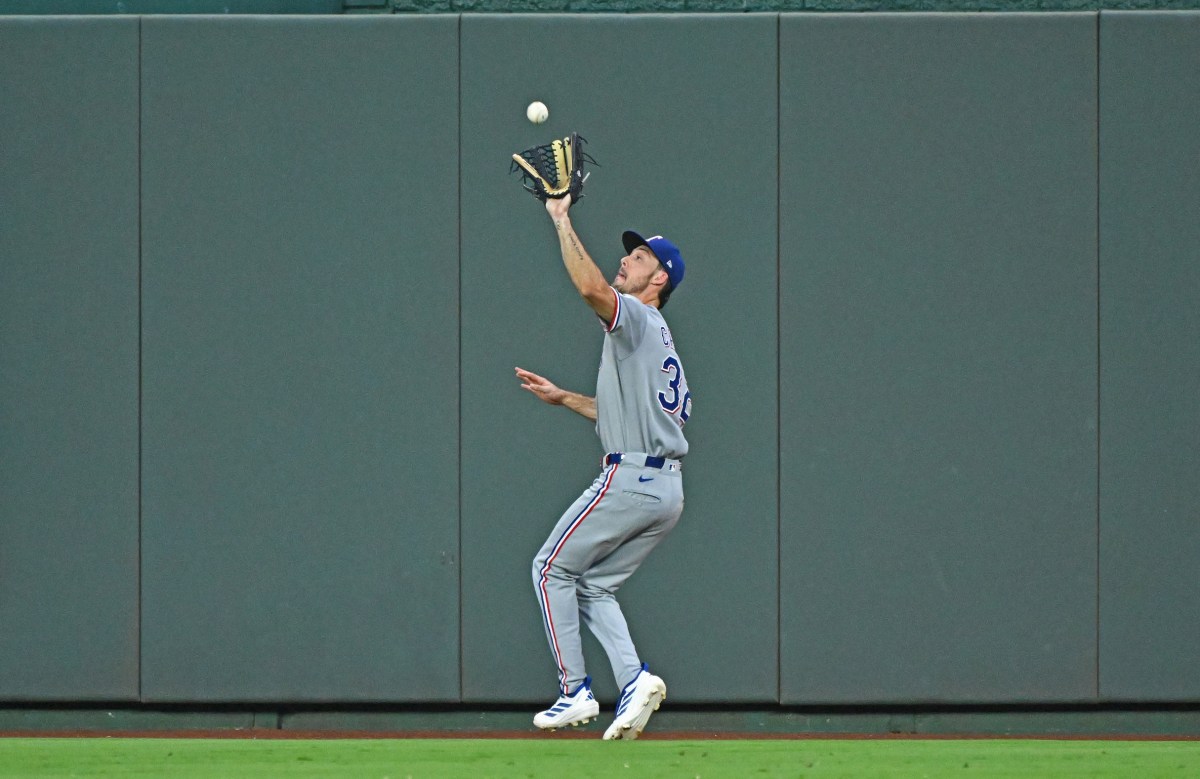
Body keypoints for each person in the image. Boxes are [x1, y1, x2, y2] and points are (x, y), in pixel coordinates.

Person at [514, 192, 692, 741]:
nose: (626, 260)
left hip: (630, 480)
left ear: (659, 280)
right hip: (666, 491)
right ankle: (634, 679)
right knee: (593, 587)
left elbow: (591, 288)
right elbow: (629, 415)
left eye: (640, 258)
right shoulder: (661, 343)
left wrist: (561, 219)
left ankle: (575, 692)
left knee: (550, 569)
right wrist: (566, 398)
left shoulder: (636, 317)